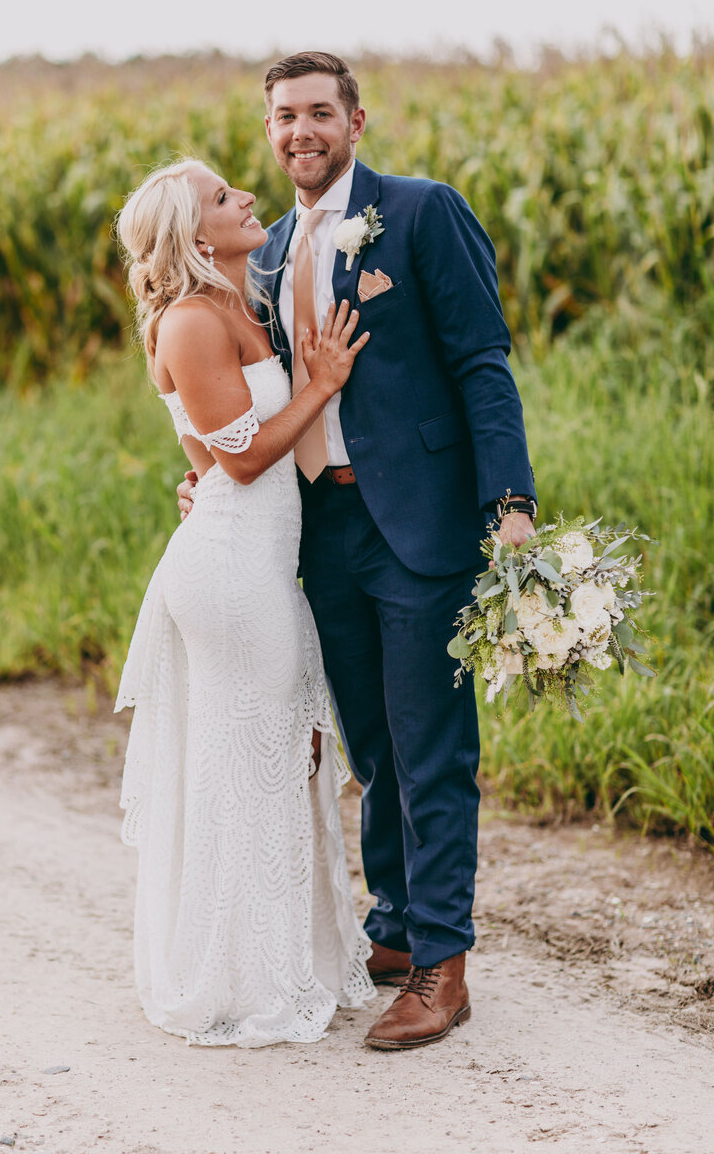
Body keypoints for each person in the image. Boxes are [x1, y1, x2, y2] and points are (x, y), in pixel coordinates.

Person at [178, 52, 537, 1050]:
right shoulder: (266, 249)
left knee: (429, 749)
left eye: (318, 113)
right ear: (269, 131)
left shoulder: (420, 213)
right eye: (283, 116)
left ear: (355, 121)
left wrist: (508, 502)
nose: (300, 131)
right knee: (370, 747)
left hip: (417, 521)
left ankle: (443, 966)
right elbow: (250, 403)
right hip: (318, 530)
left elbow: (478, 359)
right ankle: (393, 927)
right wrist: (208, 471)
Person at [114, 158, 376, 1047]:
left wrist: (202, 482)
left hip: (259, 564)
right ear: (196, 235)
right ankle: (238, 977)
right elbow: (240, 459)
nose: (247, 198)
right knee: (252, 766)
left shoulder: (238, 301)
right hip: (229, 574)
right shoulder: (190, 319)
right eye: (226, 197)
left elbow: (203, 452)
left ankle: (275, 958)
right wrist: (322, 385)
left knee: (279, 758)